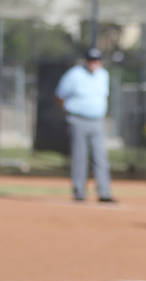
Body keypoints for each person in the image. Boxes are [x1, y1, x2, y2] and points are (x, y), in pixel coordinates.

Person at [55, 47, 116, 203]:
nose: (93, 63)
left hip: (97, 120)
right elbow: (60, 96)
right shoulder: (74, 74)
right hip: (78, 119)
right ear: (85, 60)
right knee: (79, 156)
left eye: (96, 60)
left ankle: (104, 192)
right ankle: (79, 192)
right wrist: (69, 112)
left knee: (100, 157)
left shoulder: (104, 75)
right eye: (90, 60)